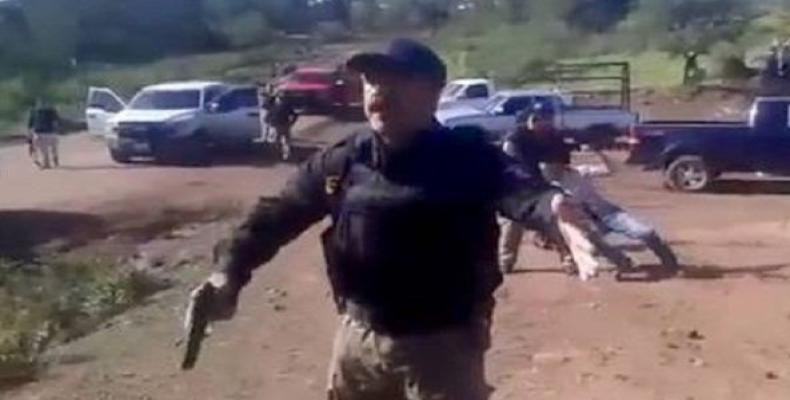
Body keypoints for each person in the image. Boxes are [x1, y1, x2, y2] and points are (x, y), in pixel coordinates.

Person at [185, 38, 589, 400]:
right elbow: (276, 214)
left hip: (441, 349)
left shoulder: (468, 157)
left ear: (433, 92)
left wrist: (553, 208)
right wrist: (229, 270)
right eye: (371, 80)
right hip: (357, 342)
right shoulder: (345, 157)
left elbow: (519, 188)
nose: (379, 90)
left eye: (395, 79)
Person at [551, 151, 681, 278]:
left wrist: (603, 155)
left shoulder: (580, 172)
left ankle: (670, 261)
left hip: (608, 213)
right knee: (593, 243)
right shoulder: (548, 188)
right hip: (586, 222)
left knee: (645, 232)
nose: (551, 167)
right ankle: (624, 263)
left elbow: (610, 169)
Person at [498, 106, 576, 274]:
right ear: (529, 119)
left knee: (555, 220)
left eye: (545, 119)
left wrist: (553, 180)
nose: (541, 123)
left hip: (542, 183)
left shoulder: (553, 137)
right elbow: (510, 164)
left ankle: (568, 258)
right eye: (537, 119)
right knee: (513, 222)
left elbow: (561, 162)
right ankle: (506, 260)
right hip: (516, 184)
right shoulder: (515, 138)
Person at [27, 98, 62, 169]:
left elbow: (30, 125)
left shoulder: (34, 111)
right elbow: (56, 122)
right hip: (49, 132)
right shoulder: (51, 110)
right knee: (52, 148)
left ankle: (47, 163)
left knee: (45, 149)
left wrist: (30, 136)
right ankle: (53, 161)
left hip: (41, 132)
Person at [265, 94, 298, 161]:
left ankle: (279, 154)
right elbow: (295, 115)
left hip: (277, 126)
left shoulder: (274, 106)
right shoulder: (287, 106)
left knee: (277, 141)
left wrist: (269, 123)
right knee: (287, 141)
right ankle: (286, 155)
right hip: (285, 125)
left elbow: (267, 117)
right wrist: (291, 123)